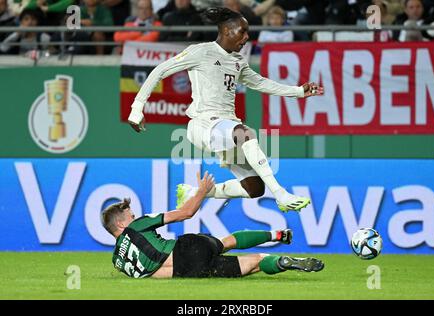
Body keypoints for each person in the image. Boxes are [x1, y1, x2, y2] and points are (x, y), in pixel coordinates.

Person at [127, 7, 324, 214]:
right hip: (203, 124)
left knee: (254, 188)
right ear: (227, 31)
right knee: (245, 133)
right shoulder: (201, 51)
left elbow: (261, 83)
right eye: (243, 32)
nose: (247, 37)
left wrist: (298, 91)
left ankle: (195, 193)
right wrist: (137, 108)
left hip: (225, 128)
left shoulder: (238, 61)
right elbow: (159, 70)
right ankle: (281, 194)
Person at [102, 171, 325, 278]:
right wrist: (202, 192)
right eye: (130, 216)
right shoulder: (138, 226)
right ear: (121, 225)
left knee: (254, 263)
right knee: (225, 242)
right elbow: (186, 213)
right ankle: (276, 235)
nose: (134, 217)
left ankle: (280, 261)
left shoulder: (118, 263)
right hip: (189, 249)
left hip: (187, 272)